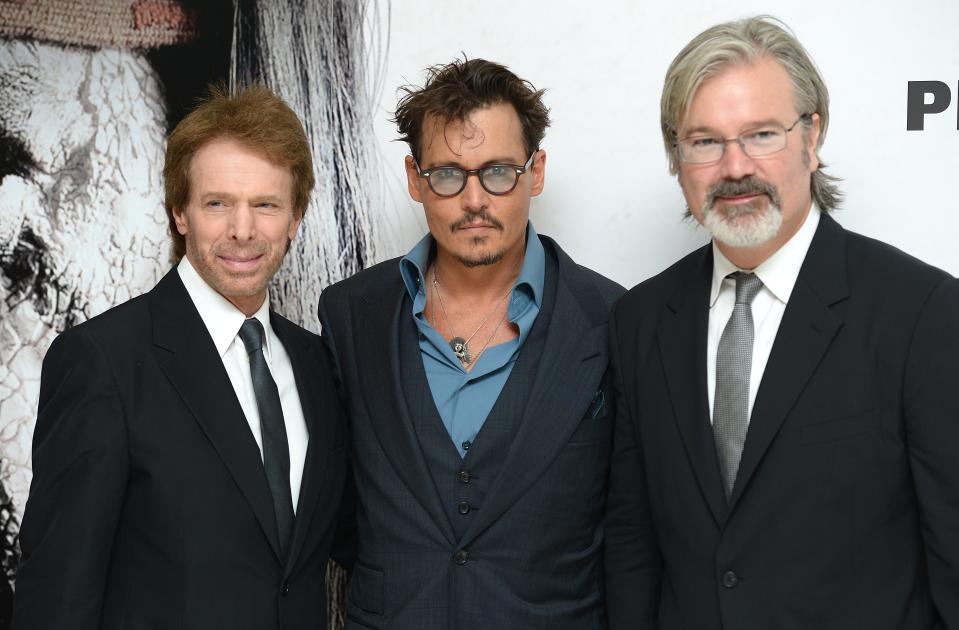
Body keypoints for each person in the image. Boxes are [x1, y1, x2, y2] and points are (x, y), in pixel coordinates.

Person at [605, 15, 959, 630]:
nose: (735, 167)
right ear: (677, 157)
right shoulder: (639, 322)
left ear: (811, 137)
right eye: (705, 141)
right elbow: (634, 553)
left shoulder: (921, 313)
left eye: (762, 134)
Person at [12, 85, 353, 630]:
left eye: (266, 204)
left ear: (295, 218)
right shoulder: (103, 361)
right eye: (218, 203)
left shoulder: (316, 364)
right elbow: (57, 594)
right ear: (180, 213)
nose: (243, 230)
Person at [319, 57, 624, 629]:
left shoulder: (612, 318)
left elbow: (628, 523)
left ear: (536, 173)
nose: (475, 199)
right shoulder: (350, 314)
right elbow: (337, 512)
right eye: (448, 175)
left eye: (499, 172)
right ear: (416, 179)